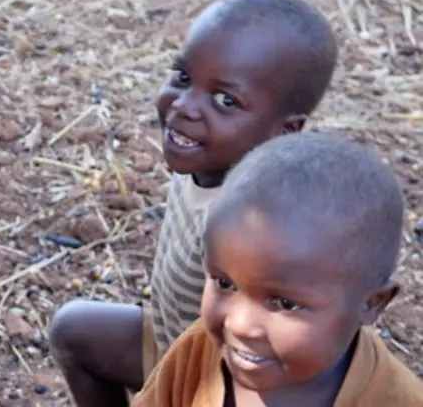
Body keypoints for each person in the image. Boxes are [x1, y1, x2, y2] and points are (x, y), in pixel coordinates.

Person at [47, 0, 339, 406]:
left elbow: (265, 362)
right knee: (75, 330)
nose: (184, 106)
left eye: (226, 100)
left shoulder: (255, 228)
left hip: (220, 384)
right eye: (184, 78)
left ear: (284, 131)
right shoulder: (206, 158)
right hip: (171, 347)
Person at [132, 132, 423, 406]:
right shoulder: (198, 353)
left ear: (372, 303)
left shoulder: (395, 399)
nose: (240, 325)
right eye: (225, 283)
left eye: (285, 304)